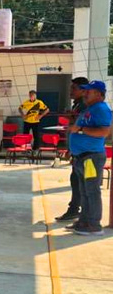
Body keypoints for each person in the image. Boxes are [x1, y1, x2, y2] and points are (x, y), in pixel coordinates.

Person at [65, 80, 110, 236]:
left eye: (88, 91)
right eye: (84, 90)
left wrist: (81, 129)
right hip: (81, 157)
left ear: (98, 93)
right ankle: (84, 220)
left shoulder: (101, 109)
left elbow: (104, 132)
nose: (85, 93)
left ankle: (94, 224)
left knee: (92, 191)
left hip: (91, 157)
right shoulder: (89, 109)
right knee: (84, 191)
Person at [57, 77, 89, 222]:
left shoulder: (84, 105)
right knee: (75, 180)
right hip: (77, 150)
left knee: (82, 183)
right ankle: (76, 210)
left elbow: (80, 126)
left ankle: (78, 212)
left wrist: (71, 118)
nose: (70, 91)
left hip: (85, 152)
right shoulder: (77, 104)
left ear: (83, 90)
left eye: (73, 88)